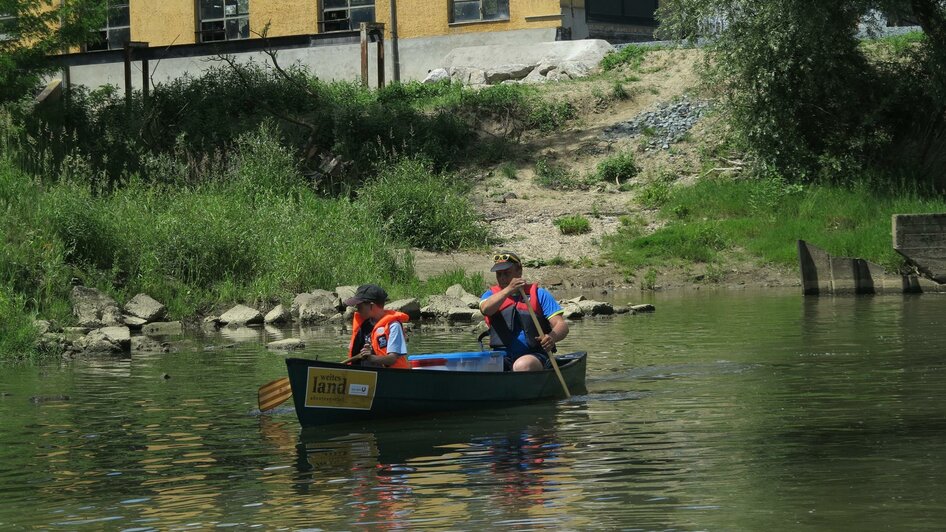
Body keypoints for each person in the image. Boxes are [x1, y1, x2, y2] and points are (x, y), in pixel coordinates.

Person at [479, 251, 569, 371]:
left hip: (535, 355)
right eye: (499, 274)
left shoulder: (539, 294)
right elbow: (486, 310)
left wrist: (552, 337)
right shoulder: (490, 295)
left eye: (507, 273)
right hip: (502, 356)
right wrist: (509, 290)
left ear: (519, 270)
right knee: (482, 365)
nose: (502, 278)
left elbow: (561, 325)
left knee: (522, 365)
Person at [344, 284, 410, 369]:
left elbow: (392, 359)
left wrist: (371, 357)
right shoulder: (363, 325)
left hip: (389, 375)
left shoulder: (393, 326)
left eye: (360, 306)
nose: (357, 309)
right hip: (365, 374)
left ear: (372, 305)